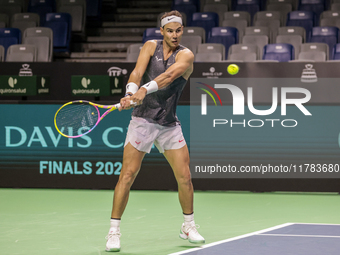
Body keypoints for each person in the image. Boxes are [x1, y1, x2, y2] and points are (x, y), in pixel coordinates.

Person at [105, 10, 205, 252]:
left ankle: (188, 226)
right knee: (127, 176)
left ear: (183, 30)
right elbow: (137, 73)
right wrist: (131, 92)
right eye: (169, 30)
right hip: (142, 121)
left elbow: (169, 76)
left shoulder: (187, 55)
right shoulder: (150, 46)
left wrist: (143, 91)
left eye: (178, 30)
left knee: (185, 177)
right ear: (161, 31)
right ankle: (113, 232)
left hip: (169, 123)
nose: (174, 35)